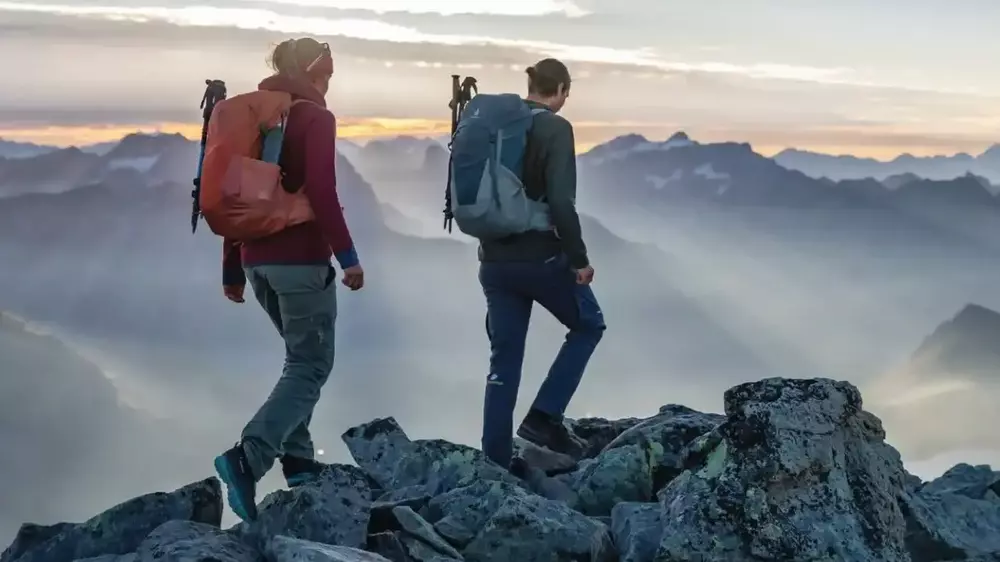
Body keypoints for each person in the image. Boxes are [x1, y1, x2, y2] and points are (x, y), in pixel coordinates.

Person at [213, 37, 364, 522]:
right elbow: (322, 187)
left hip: (257, 262)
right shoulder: (315, 118)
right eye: (328, 77)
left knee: (299, 359)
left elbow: (240, 195)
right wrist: (348, 256)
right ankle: (248, 458)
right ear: (315, 74)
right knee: (311, 364)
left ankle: (299, 464)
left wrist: (232, 266)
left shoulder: (260, 116)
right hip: (300, 262)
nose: (329, 86)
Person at [478, 58, 606, 471]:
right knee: (588, 324)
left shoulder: (494, 126)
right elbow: (561, 203)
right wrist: (580, 261)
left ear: (530, 84)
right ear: (563, 90)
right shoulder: (555, 128)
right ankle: (544, 418)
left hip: (494, 260)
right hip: (542, 258)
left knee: (505, 359)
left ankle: (495, 462)